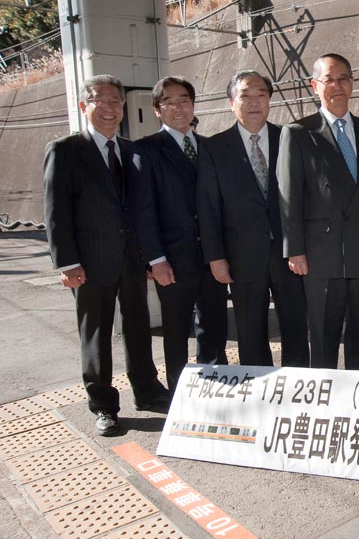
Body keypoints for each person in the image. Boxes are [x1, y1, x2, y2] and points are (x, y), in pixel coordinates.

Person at [43, 74, 170, 436]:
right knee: (96, 333)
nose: (110, 107)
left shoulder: (132, 151)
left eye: (116, 101)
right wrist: (67, 263)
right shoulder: (65, 150)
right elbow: (56, 213)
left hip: (131, 258)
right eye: (102, 100)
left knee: (138, 326)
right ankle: (103, 405)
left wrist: (150, 256)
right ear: (85, 106)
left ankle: (146, 389)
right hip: (88, 262)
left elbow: (143, 209)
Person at [276, 54, 359, 370]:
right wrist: (295, 250)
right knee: (325, 342)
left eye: (343, 78)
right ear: (315, 86)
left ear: (352, 84)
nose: (337, 86)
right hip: (322, 254)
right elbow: (289, 197)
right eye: (329, 79)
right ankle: (324, 409)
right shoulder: (299, 133)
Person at [197, 70, 309, 368]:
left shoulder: (290, 137)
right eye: (245, 95)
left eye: (261, 94)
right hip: (241, 256)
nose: (254, 101)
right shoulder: (214, 147)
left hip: (289, 253)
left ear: (270, 100)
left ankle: (296, 387)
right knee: (250, 331)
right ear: (232, 102)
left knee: (296, 326)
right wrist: (216, 257)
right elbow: (208, 208)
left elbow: (304, 197)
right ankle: (260, 393)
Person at [130, 76, 228, 395]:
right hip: (173, 260)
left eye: (183, 100)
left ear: (193, 104)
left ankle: (216, 387)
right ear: (157, 110)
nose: (178, 107)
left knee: (214, 327)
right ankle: (180, 395)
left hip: (212, 256)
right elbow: (143, 212)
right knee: (176, 331)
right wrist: (156, 259)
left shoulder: (212, 147)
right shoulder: (145, 150)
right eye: (169, 102)